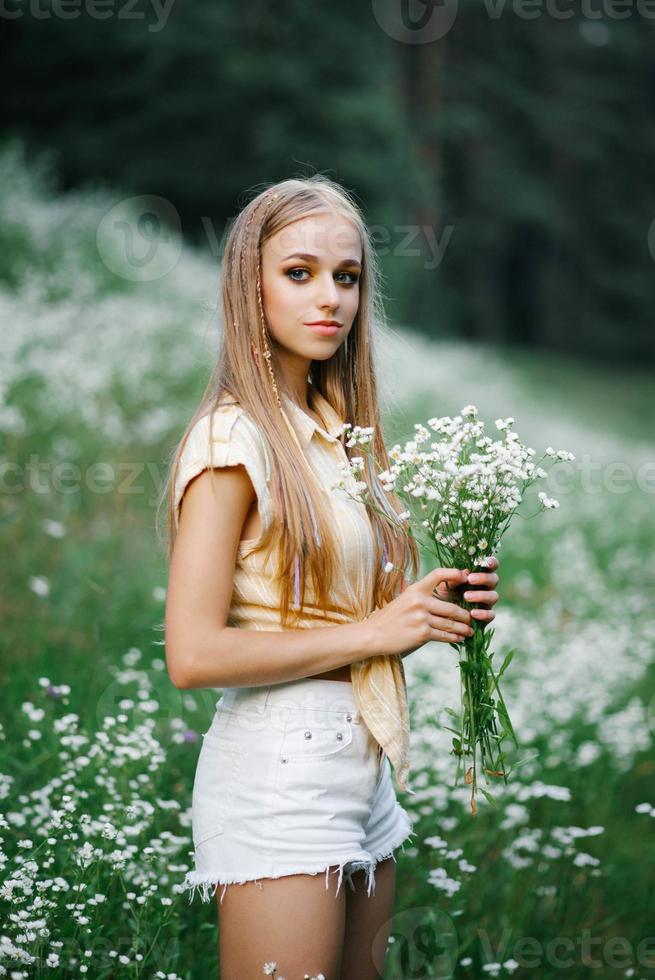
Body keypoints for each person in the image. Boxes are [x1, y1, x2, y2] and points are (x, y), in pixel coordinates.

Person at [163, 176, 500, 979]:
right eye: (299, 273)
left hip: (362, 772)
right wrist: (377, 631)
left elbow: (332, 615)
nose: (330, 299)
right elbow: (193, 656)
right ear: (251, 287)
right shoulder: (231, 442)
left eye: (346, 278)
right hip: (280, 780)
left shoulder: (334, 434)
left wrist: (432, 607)